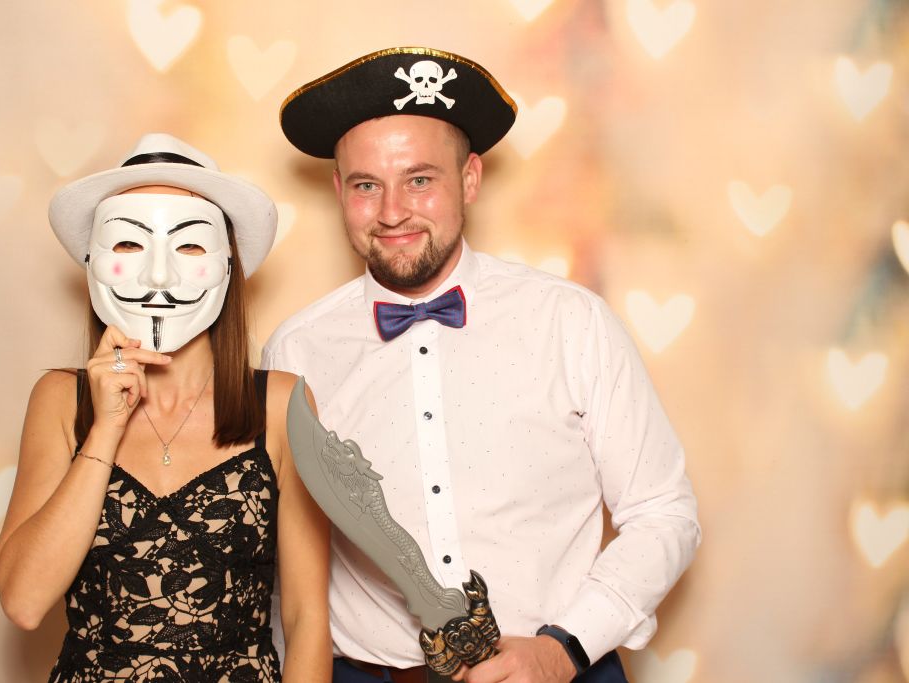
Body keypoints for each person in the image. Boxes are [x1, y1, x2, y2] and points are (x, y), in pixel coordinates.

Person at [263, 48, 701, 683]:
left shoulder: (570, 321)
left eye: (420, 180)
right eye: (366, 185)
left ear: (470, 179)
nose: (392, 211)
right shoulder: (295, 351)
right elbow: (284, 571)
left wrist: (563, 649)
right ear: (338, 190)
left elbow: (663, 511)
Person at [0, 134, 331, 682]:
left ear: (227, 265)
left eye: (190, 246)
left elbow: (307, 615)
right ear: (93, 262)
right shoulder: (59, 400)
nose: (157, 276)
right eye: (128, 244)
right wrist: (105, 429)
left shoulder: (282, 404)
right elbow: (23, 602)